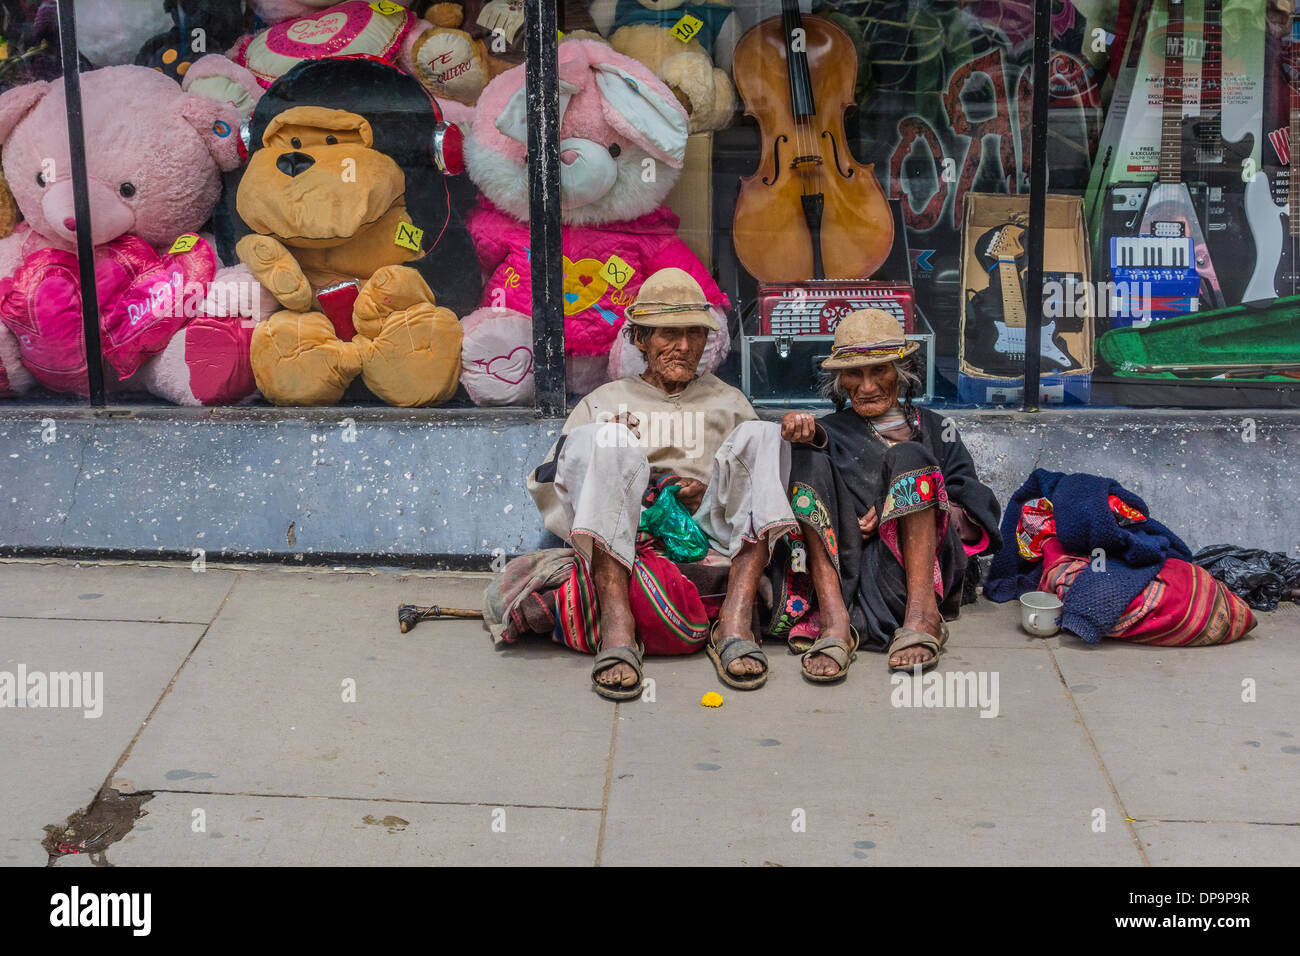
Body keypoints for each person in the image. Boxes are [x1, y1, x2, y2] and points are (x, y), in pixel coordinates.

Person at [527, 268, 800, 699]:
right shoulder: (605, 401)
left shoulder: (728, 401)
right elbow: (554, 478)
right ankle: (619, 629)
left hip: (709, 526)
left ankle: (735, 619)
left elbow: (753, 484)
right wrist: (643, 487)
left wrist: (705, 485)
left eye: (695, 334)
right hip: (627, 531)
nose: (685, 347)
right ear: (640, 340)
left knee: (763, 435)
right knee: (608, 438)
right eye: (669, 334)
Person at [770, 309, 1002, 681]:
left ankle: (923, 618)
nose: (866, 386)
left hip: (912, 579)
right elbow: (809, 487)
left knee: (909, 458)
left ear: (902, 370)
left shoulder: (936, 428)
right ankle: (833, 624)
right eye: (854, 374)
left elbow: (973, 509)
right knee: (806, 458)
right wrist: (800, 433)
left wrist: (900, 508)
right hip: (846, 577)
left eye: (879, 371)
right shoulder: (826, 432)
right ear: (839, 380)